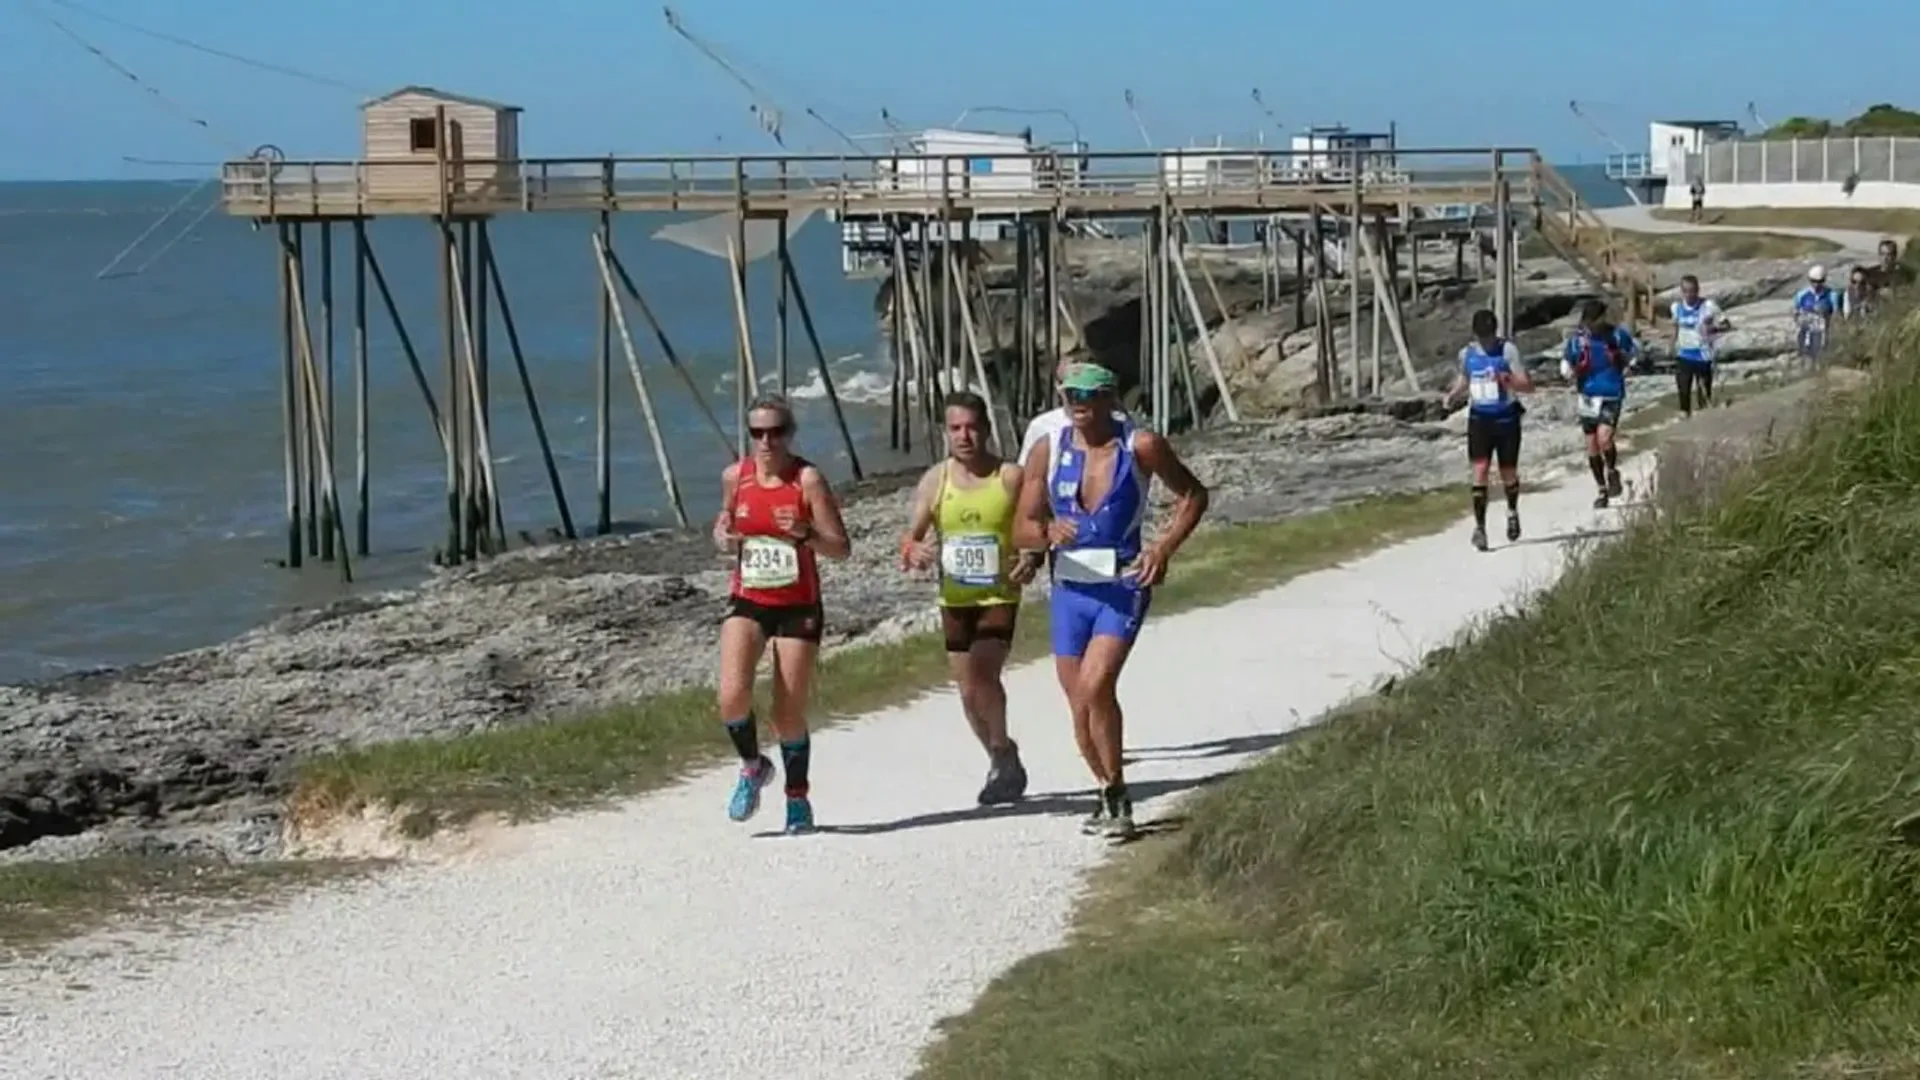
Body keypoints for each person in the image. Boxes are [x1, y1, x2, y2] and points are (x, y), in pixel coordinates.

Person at [1014, 363, 1210, 841]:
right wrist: (1044, 532)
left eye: (1088, 393)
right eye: (1068, 393)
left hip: (1121, 586)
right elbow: (1020, 523)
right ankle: (1106, 790)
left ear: (1109, 398)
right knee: (1079, 703)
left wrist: (1161, 549)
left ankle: (1119, 799)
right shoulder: (1049, 448)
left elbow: (1193, 495)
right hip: (1070, 591)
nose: (1076, 402)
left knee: (1096, 685)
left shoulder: (1140, 446)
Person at [712, 395, 852, 835]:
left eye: (775, 432)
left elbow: (841, 548)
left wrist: (807, 533)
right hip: (749, 597)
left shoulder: (807, 480)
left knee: (786, 713)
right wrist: (721, 536)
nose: (766, 441)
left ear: (789, 434)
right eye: (757, 433)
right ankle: (753, 766)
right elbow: (725, 528)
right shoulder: (736, 477)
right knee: (731, 694)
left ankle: (797, 799)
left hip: (798, 604)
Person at [900, 390, 1036, 806]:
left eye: (972, 427)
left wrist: (1032, 555)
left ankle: (1001, 753)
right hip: (954, 599)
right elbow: (911, 537)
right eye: (956, 428)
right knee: (966, 691)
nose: (964, 436)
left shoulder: (1010, 477)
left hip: (998, 595)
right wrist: (914, 550)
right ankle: (1001, 754)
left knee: (981, 674)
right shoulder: (936, 480)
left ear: (986, 430)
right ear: (946, 433)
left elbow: (1035, 525)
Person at [1446, 308, 1533, 551]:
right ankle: (1480, 528)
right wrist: (1453, 394)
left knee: (1508, 473)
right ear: (1475, 334)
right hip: (1479, 420)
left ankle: (1512, 510)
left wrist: (1507, 380)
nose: (1487, 341)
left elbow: (1527, 385)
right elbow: (1465, 378)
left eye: (1490, 335)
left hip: (1506, 420)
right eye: (1483, 336)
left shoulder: (1508, 351)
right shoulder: (1467, 354)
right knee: (1480, 470)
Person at [1560, 299, 1637, 510]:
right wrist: (1566, 369)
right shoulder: (1578, 341)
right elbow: (1567, 359)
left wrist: (1630, 363)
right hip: (1587, 395)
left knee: (1605, 438)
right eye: (1588, 322)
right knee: (1591, 445)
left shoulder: (1617, 335)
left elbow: (1632, 352)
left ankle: (1612, 470)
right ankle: (1601, 489)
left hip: (1611, 392)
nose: (1591, 326)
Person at [1019, 360, 1129, 466]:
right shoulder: (1044, 431)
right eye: (1070, 392)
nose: (1076, 401)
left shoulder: (1130, 436)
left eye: (1083, 394)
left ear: (1107, 397)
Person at [1669, 275, 1728, 418]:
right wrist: (1671, 344)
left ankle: (1705, 420)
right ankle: (1685, 418)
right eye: (1686, 291)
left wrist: (1713, 328)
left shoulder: (1708, 306)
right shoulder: (1676, 307)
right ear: (1681, 291)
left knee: (1703, 394)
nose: (1689, 294)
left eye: (1692, 291)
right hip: (1684, 355)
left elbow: (1726, 324)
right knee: (1683, 391)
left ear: (1698, 290)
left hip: (1703, 356)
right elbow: (1675, 327)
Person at [1792, 265, 1839, 363]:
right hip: (1806, 331)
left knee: (1821, 358)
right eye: (1814, 281)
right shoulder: (1802, 294)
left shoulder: (1832, 294)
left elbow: (1836, 314)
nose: (1817, 285)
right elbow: (1795, 312)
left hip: (1824, 332)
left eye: (1820, 281)